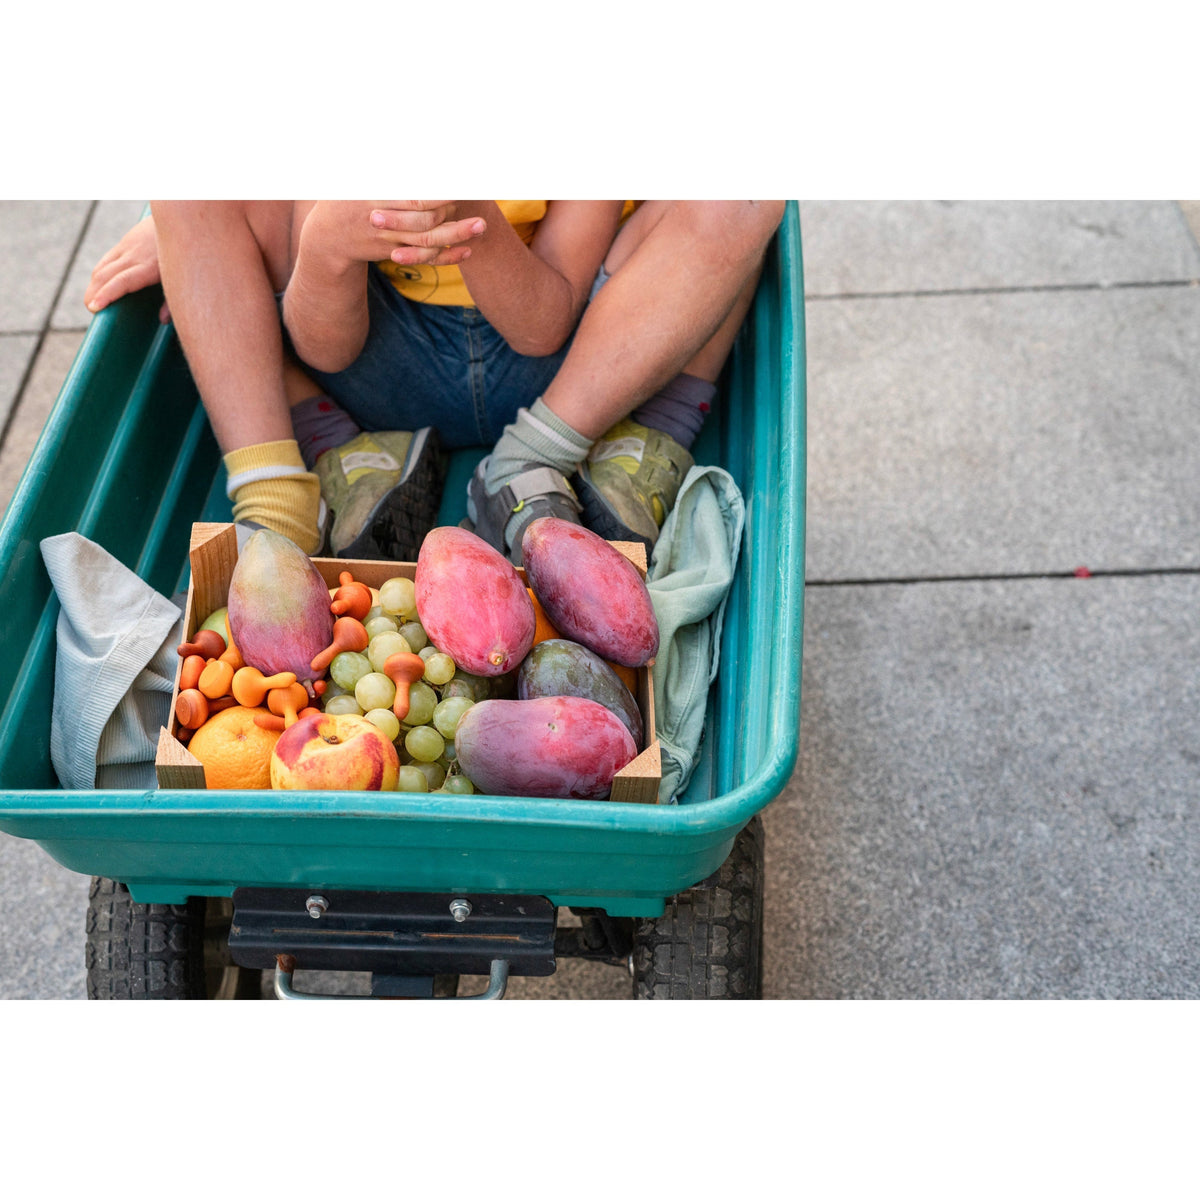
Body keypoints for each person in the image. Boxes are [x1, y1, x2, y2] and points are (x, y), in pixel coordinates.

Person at [87, 200, 785, 563]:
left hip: (577, 368)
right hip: (377, 368)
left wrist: (470, 223)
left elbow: (543, 324)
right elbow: (325, 345)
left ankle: (544, 458)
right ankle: (279, 502)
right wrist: (327, 248)